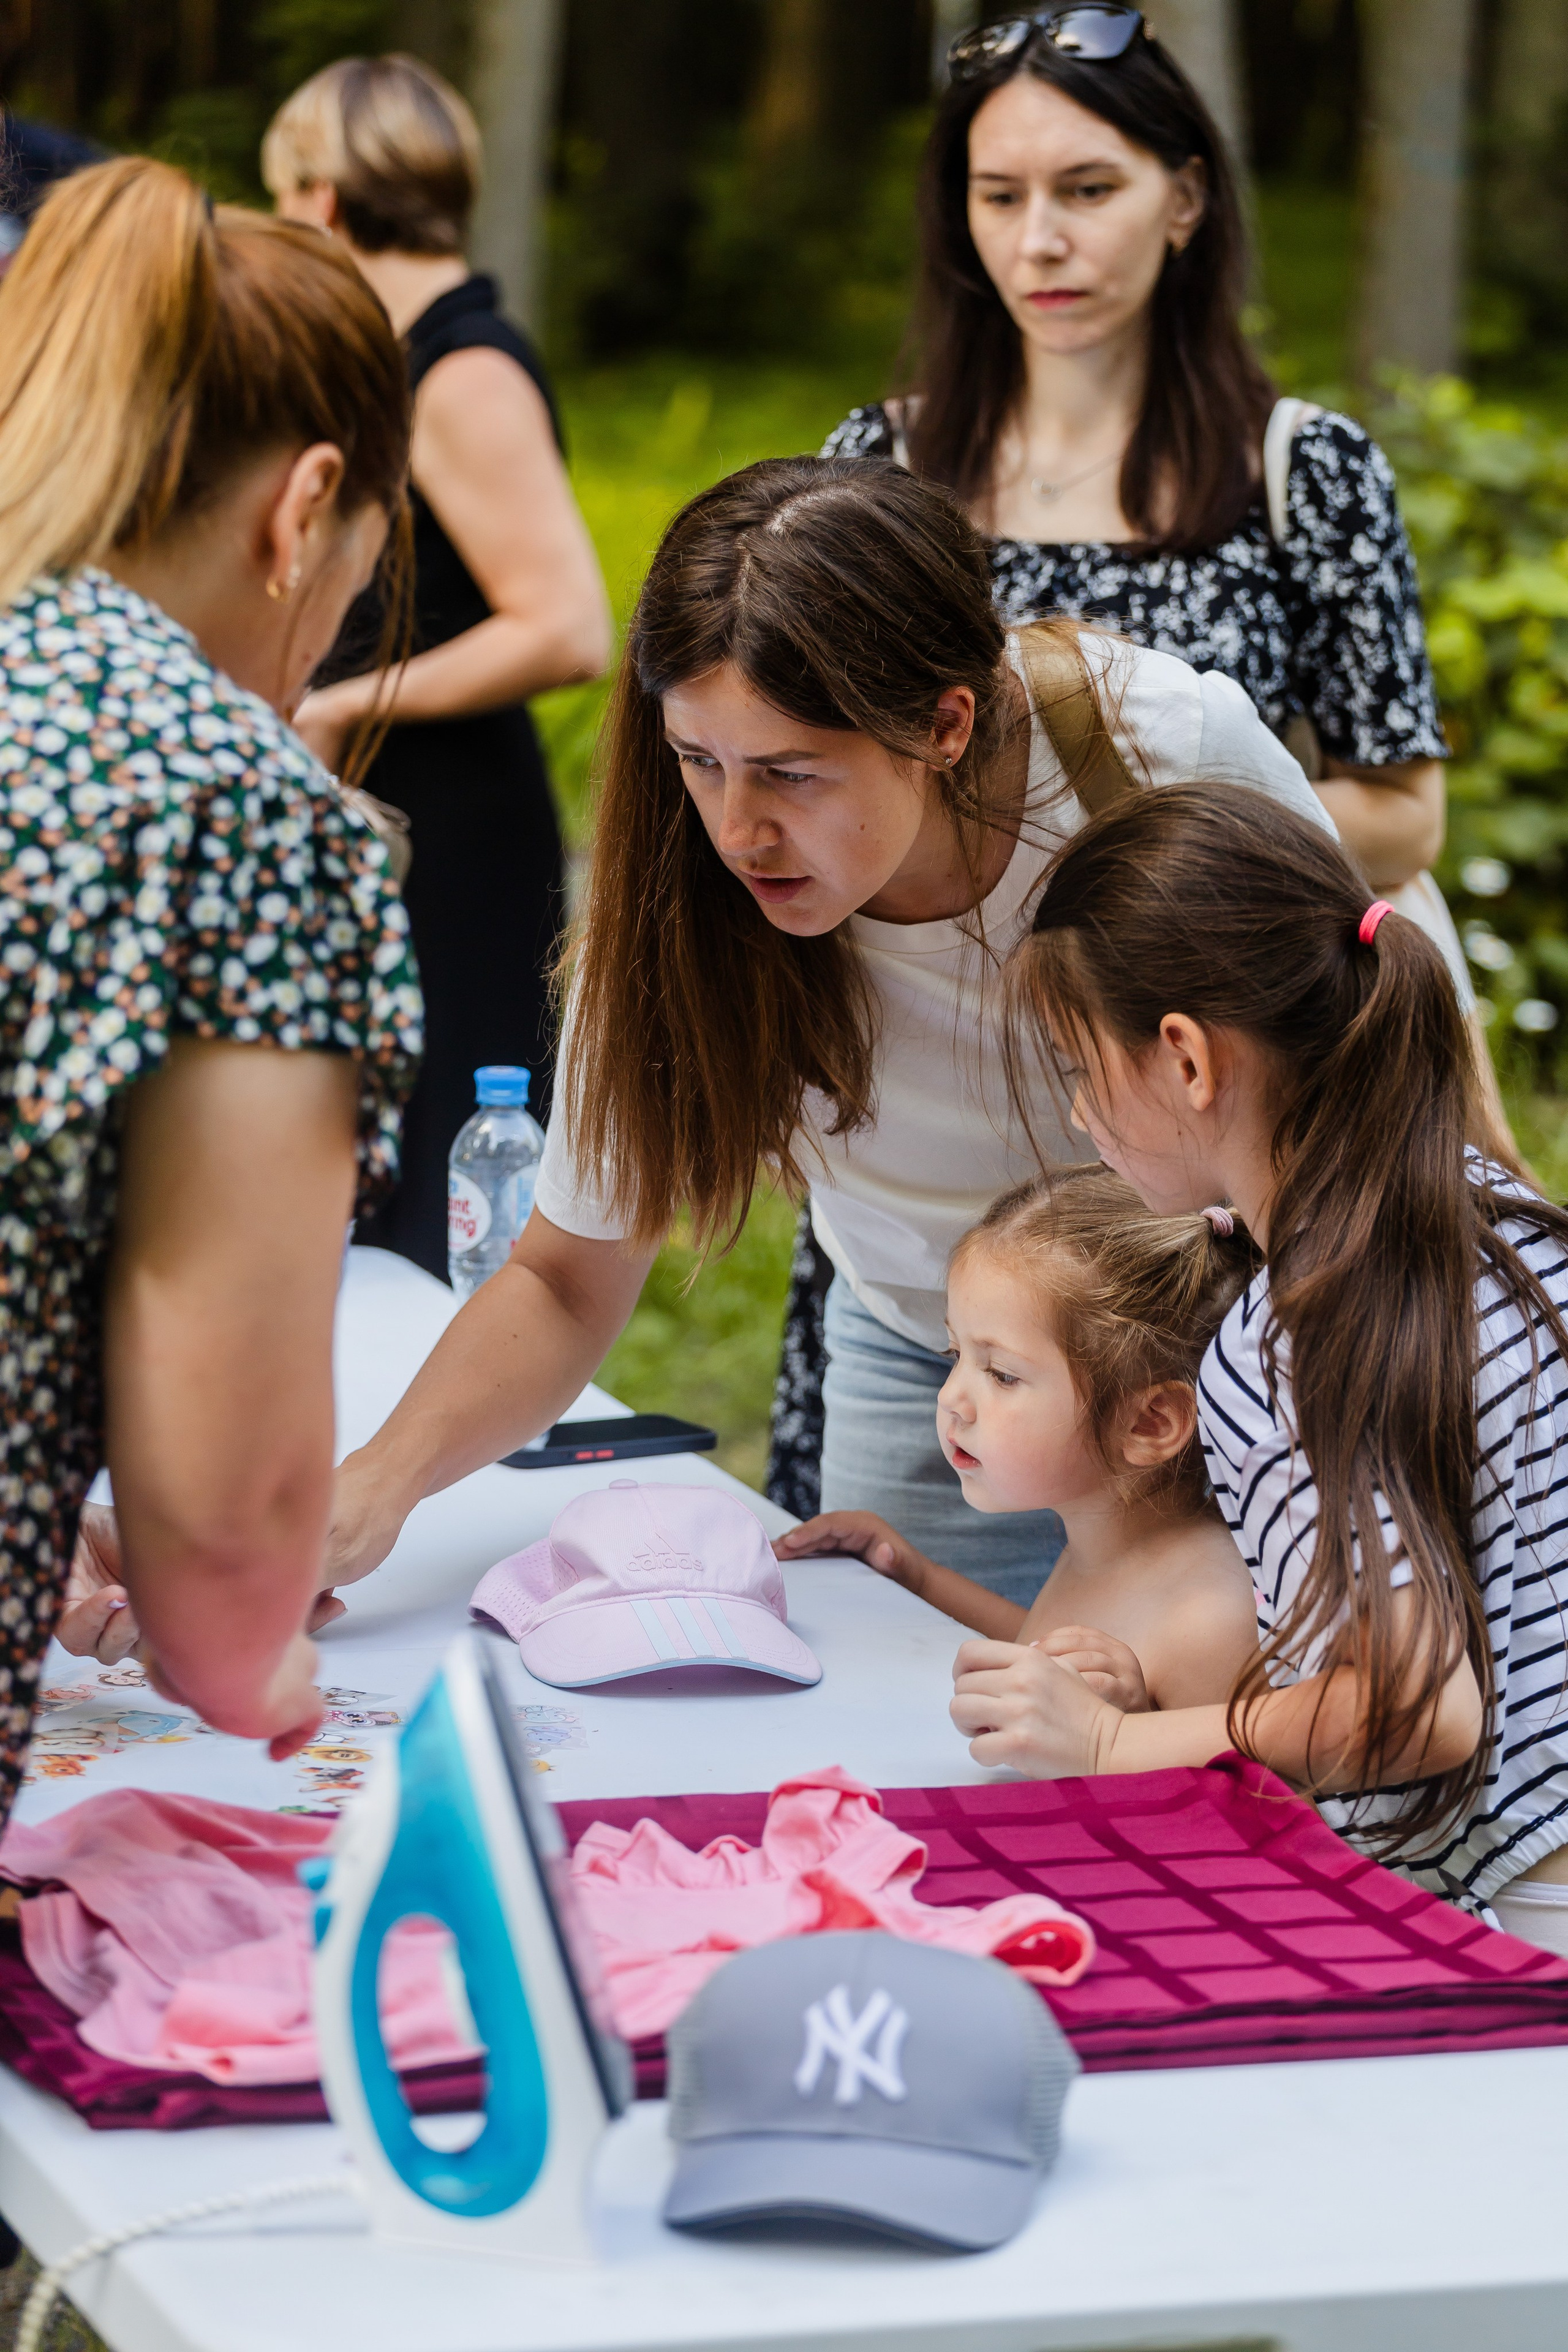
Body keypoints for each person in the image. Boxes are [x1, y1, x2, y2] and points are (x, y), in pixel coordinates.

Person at [323, 456, 1332, 1609]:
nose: (738, 829)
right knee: (931, 1734)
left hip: (1237, 1358)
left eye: (791, 774)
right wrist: (371, 1495)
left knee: (1249, 1752)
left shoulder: (1155, 748)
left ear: (945, 723)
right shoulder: (674, 900)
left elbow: (1382, 1066)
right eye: (698, 762)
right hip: (939, 1357)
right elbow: (564, 1278)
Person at [770, 0, 1491, 1521]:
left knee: (1205, 1601)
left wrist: (1121, 852)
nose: (1042, 239)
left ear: (1183, 195)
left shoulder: (1297, 469)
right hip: (928, 1117)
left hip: (1192, 1110)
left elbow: (1400, 804)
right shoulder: (879, 463)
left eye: (1085, 189)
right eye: (999, 196)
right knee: (915, 1589)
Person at [952, 782, 1568, 1939]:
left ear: (1186, 1059)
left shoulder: (1292, 1331)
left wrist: (1114, 1742)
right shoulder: (1500, 1215)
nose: (1080, 1114)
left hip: (1523, 1916)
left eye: (1082, 1067)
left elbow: (1415, 1711)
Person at [0, 156, 422, 1814]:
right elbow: (233, 1535)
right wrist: (254, 1653)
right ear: (303, 508)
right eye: (355, 589)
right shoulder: (226, 804)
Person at [262, 54, 611, 1281]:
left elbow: (568, 624)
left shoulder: (460, 370)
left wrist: (343, 702)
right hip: (405, 818)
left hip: (457, 837)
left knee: (443, 1200)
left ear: (319, 199)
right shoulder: (402, 354)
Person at [775, 1166, 1260, 1713]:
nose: (950, 1399)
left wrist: (1133, 1731)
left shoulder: (1211, 1621)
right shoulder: (1109, 1549)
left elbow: (1246, 1797)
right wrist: (918, 1577)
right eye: (955, 1355)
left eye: (1002, 1375)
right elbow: (1040, 1646)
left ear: (1150, 1423)